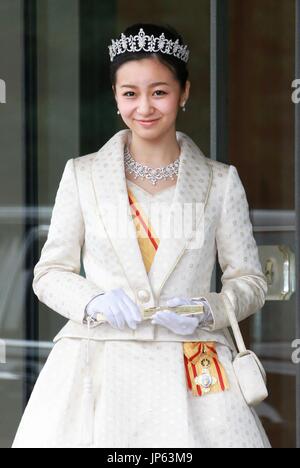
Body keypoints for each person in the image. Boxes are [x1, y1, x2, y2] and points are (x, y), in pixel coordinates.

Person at [12, 23, 271, 448]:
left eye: (159, 92)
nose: (144, 107)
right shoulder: (82, 176)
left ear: (184, 93)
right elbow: (49, 273)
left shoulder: (219, 183)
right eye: (130, 93)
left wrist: (207, 310)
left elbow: (251, 282)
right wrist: (93, 301)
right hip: (98, 365)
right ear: (115, 97)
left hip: (192, 368)